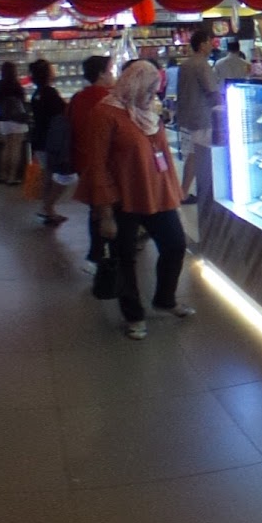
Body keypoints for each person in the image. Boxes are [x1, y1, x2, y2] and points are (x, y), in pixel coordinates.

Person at [85, 58, 189, 337]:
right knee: (125, 256)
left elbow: (162, 156)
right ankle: (133, 315)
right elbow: (97, 164)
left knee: (175, 245)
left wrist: (173, 193)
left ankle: (165, 299)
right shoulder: (105, 113)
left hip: (157, 194)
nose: (153, 94)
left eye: (156, 89)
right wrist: (105, 213)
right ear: (133, 84)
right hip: (122, 198)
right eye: (149, 88)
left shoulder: (148, 112)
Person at [63, 54, 118, 266]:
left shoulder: (78, 97)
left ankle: (96, 249)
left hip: (81, 159)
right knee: (108, 206)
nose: (113, 75)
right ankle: (108, 250)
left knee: (95, 206)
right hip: (104, 162)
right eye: (110, 71)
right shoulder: (109, 99)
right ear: (101, 74)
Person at [171, 31, 223, 206]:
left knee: (191, 156)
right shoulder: (202, 64)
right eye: (210, 41)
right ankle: (203, 193)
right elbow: (213, 91)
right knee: (201, 156)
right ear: (202, 44)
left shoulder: (185, 65)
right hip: (201, 117)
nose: (212, 45)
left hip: (186, 117)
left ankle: (183, 192)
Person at [28, 59, 74, 227]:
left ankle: (48, 209)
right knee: (64, 175)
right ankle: (48, 207)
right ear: (47, 73)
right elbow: (64, 112)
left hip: (39, 139)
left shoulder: (38, 93)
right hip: (52, 141)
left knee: (48, 175)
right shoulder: (50, 93)